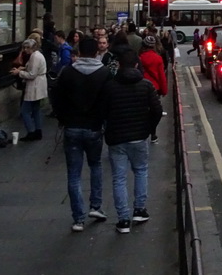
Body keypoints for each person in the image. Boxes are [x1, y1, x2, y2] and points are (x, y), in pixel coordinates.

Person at [51, 36, 112, 232]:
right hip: (94, 128)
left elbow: (56, 98)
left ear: (79, 51)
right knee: (95, 166)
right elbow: (108, 101)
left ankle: (78, 218)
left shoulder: (68, 72)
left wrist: (63, 118)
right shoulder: (104, 73)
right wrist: (103, 120)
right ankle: (96, 206)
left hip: (72, 127)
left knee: (74, 174)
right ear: (96, 52)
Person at [103, 48, 163, 234]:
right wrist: (148, 129)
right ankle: (139, 210)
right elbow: (157, 110)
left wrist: (108, 128)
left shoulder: (110, 86)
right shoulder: (145, 85)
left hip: (116, 138)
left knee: (119, 179)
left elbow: (102, 111)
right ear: (137, 65)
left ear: (119, 65)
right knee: (141, 172)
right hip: (138, 137)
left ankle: (123, 220)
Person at [11, 38, 48, 141]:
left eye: (27, 47)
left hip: (35, 85)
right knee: (36, 109)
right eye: (24, 47)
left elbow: (32, 74)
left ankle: (31, 132)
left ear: (32, 48)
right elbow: (31, 68)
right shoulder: (37, 55)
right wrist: (21, 69)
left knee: (25, 111)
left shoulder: (35, 56)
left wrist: (18, 73)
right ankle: (38, 130)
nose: (25, 50)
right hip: (39, 84)